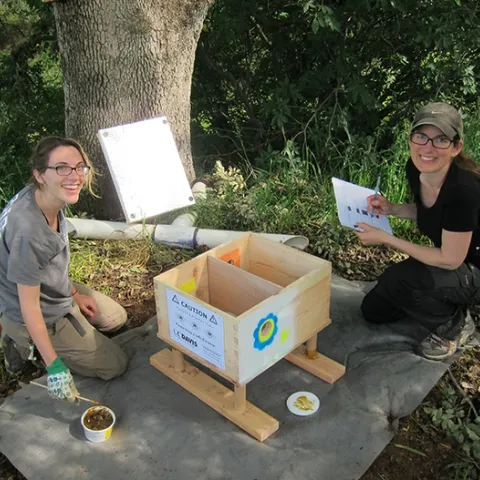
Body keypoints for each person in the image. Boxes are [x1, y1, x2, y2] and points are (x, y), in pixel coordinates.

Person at [0, 137, 129, 402]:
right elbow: (30, 307)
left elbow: (51, 262)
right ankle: (21, 344)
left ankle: (63, 330)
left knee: (116, 318)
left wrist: (74, 294)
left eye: (79, 167)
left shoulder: (46, 198)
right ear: (40, 175)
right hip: (32, 311)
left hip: (51, 289)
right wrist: (55, 367)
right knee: (115, 365)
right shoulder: (28, 231)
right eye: (61, 167)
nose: (74, 176)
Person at [355, 102, 480, 361]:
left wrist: (387, 239)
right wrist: (391, 208)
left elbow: (450, 258)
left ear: (456, 147)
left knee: (401, 279)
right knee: (374, 310)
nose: (427, 147)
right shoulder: (417, 169)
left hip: (472, 267)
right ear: (411, 138)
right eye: (421, 136)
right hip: (454, 259)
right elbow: (430, 213)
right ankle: (434, 300)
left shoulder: (463, 191)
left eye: (440, 139)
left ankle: (456, 324)